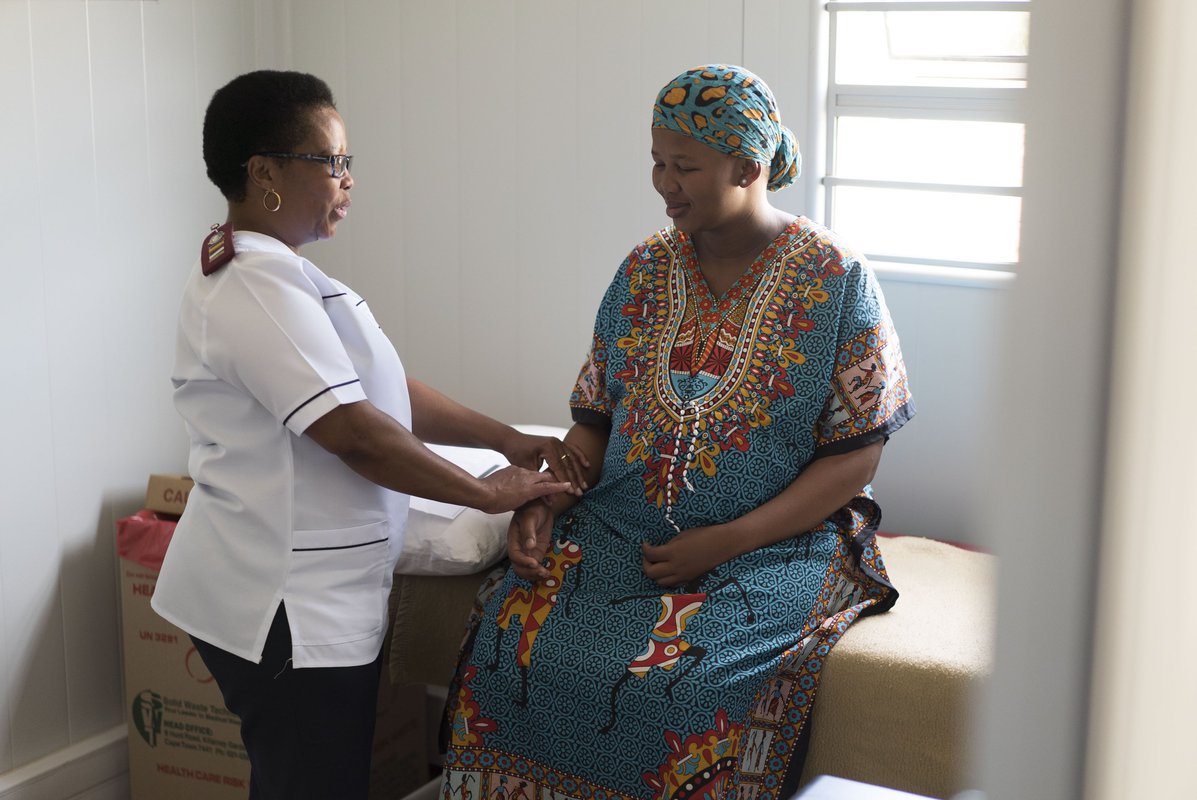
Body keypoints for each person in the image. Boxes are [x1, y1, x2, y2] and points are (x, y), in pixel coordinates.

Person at [439, 64, 915, 797]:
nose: (664, 183)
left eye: (684, 166)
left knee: (691, 687)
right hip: (620, 527)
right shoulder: (642, 271)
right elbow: (593, 425)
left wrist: (725, 540)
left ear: (749, 165)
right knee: (510, 639)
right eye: (657, 163)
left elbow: (855, 459)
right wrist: (546, 499)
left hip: (774, 545)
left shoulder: (837, 278)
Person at [150, 70, 586, 800]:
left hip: (316, 593)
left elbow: (382, 393)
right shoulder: (252, 287)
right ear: (265, 174)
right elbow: (354, 433)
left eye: (347, 162)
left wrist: (504, 438)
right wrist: (482, 492)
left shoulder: (289, 280)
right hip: (281, 602)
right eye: (332, 162)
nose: (347, 181)